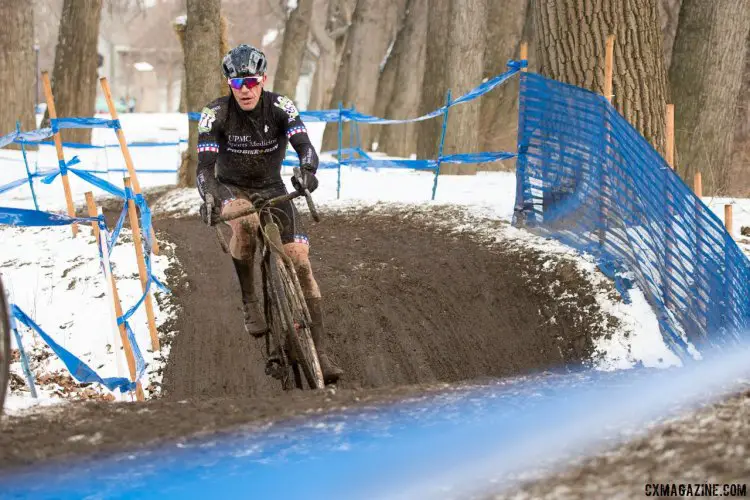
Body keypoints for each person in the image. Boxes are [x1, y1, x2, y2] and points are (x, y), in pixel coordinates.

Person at [196, 44, 343, 385]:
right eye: (236, 84)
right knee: (244, 225)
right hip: (232, 188)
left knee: (300, 261)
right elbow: (204, 169)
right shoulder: (214, 114)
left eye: (250, 81)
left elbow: (305, 146)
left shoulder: (280, 106)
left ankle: (320, 352)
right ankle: (250, 299)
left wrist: (307, 169)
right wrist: (211, 195)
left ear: (263, 79)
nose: (244, 89)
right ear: (228, 85)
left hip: (273, 186)